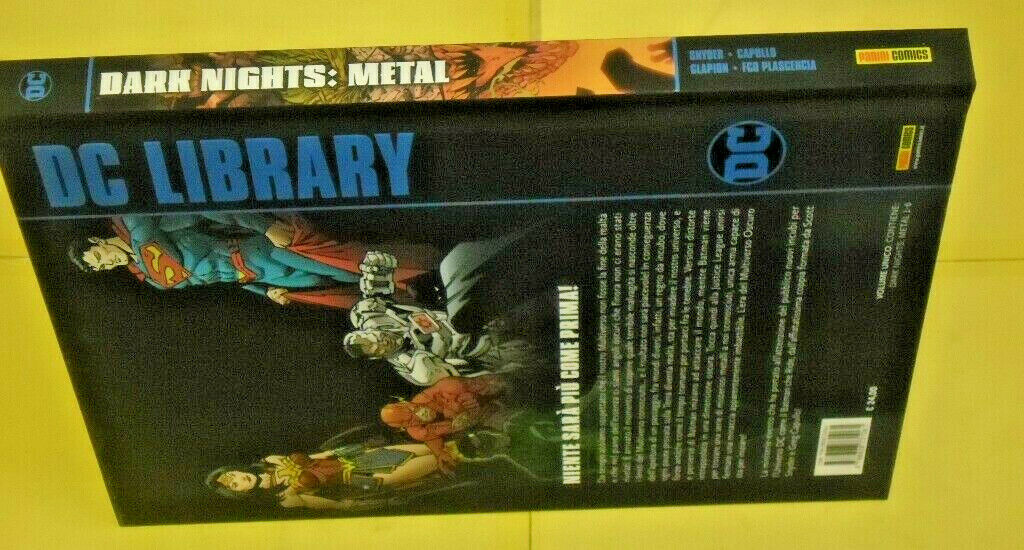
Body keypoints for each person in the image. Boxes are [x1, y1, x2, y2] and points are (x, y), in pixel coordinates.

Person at [68, 213, 433, 309]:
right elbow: (218, 281)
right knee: (349, 288)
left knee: (356, 267)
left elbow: (216, 212)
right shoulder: (150, 278)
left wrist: (266, 226)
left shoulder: (150, 227)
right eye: (100, 268)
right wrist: (263, 291)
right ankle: (425, 296)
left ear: (98, 240)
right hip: (265, 277)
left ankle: (427, 270)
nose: (106, 263)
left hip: (264, 251)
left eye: (99, 256)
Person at [344, 250, 532, 386]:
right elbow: (466, 373)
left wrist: (377, 268)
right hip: (489, 344)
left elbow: (376, 288)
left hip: (470, 308)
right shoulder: (414, 368)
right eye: (378, 348)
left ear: (369, 330)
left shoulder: (371, 316)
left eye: (376, 337)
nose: (384, 342)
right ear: (375, 357)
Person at [206, 440, 457, 511]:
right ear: (239, 493)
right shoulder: (285, 499)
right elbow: (339, 505)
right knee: (438, 460)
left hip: (354, 459)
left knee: (437, 447)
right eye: (234, 485)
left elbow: (320, 456)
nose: (239, 479)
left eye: (233, 475)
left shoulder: (271, 460)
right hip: (363, 479)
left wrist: (353, 449)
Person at [380, 375, 507, 471]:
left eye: (410, 410)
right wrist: (440, 453)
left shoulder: (443, 389)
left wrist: (474, 397)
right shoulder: (417, 432)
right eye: (409, 420)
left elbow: (494, 382)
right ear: (403, 427)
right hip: (490, 418)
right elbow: (431, 437)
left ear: (405, 403)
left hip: (498, 397)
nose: (416, 416)